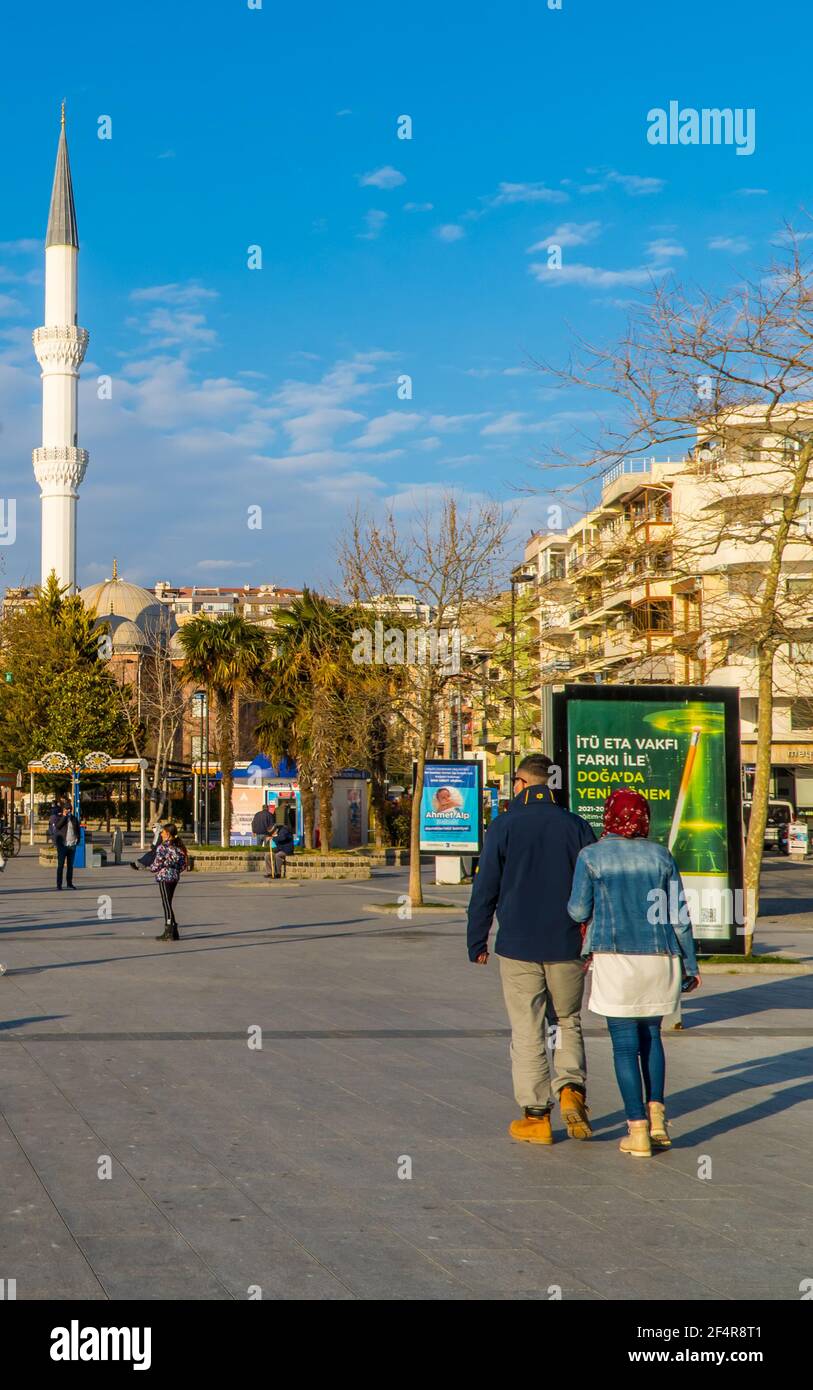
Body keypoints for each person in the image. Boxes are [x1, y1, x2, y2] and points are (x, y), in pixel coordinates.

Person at [467, 753, 596, 1146]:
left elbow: (485, 886)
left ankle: (537, 1117)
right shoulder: (576, 826)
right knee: (566, 1019)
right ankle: (571, 1087)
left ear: (521, 784)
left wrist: (478, 939)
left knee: (527, 1027)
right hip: (567, 942)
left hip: (519, 943)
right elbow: (595, 885)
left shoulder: (504, 825)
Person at [567, 787, 701, 1159]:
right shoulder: (661, 856)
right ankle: (658, 1121)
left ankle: (637, 1129)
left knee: (625, 1045)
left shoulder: (591, 856)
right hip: (660, 958)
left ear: (609, 816)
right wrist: (690, 964)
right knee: (652, 1038)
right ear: (644, 818)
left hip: (615, 959)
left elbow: (578, 910)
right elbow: (679, 916)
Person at [150, 823, 188, 942]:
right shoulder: (179, 847)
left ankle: (169, 930)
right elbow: (183, 865)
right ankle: (174, 930)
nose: (161, 834)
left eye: (162, 832)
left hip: (164, 877)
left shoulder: (163, 847)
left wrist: (153, 868)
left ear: (168, 834)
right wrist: (175, 870)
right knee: (169, 903)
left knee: (166, 904)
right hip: (174, 877)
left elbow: (157, 864)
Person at [53, 799, 81, 891]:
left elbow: (77, 829)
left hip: (72, 845)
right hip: (62, 845)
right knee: (60, 866)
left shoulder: (74, 818)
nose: (68, 811)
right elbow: (58, 826)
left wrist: (78, 840)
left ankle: (69, 883)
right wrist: (64, 816)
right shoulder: (59, 817)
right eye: (66, 809)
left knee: (70, 866)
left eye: (70, 809)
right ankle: (59, 885)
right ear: (63, 809)